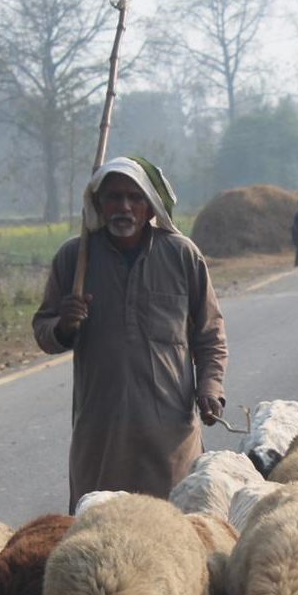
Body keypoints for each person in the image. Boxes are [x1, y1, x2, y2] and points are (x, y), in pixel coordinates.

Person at [33, 155, 228, 508]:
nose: (124, 206)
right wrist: (64, 324)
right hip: (101, 430)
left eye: (134, 197)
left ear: (151, 207)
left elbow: (210, 332)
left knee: (179, 529)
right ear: (98, 205)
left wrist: (210, 386)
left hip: (170, 432)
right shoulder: (74, 259)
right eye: (113, 197)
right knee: (101, 529)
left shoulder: (182, 255)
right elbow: (43, 331)